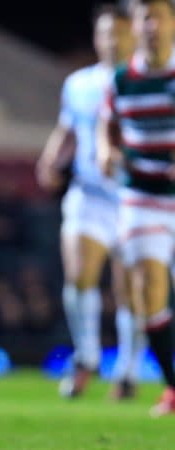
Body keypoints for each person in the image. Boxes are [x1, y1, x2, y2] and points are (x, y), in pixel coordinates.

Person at [36, 5, 142, 399]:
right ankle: (87, 357)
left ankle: (129, 370)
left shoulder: (148, 80)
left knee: (130, 288)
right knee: (79, 276)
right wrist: (51, 158)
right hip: (89, 194)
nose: (111, 41)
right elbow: (69, 128)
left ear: (132, 36)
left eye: (118, 33)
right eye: (104, 33)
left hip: (133, 198)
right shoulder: (79, 83)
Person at [97, 0, 175, 416]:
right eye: (146, 17)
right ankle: (173, 387)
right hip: (142, 197)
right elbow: (108, 125)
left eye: (160, 16)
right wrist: (108, 150)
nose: (153, 26)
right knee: (148, 288)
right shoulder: (123, 78)